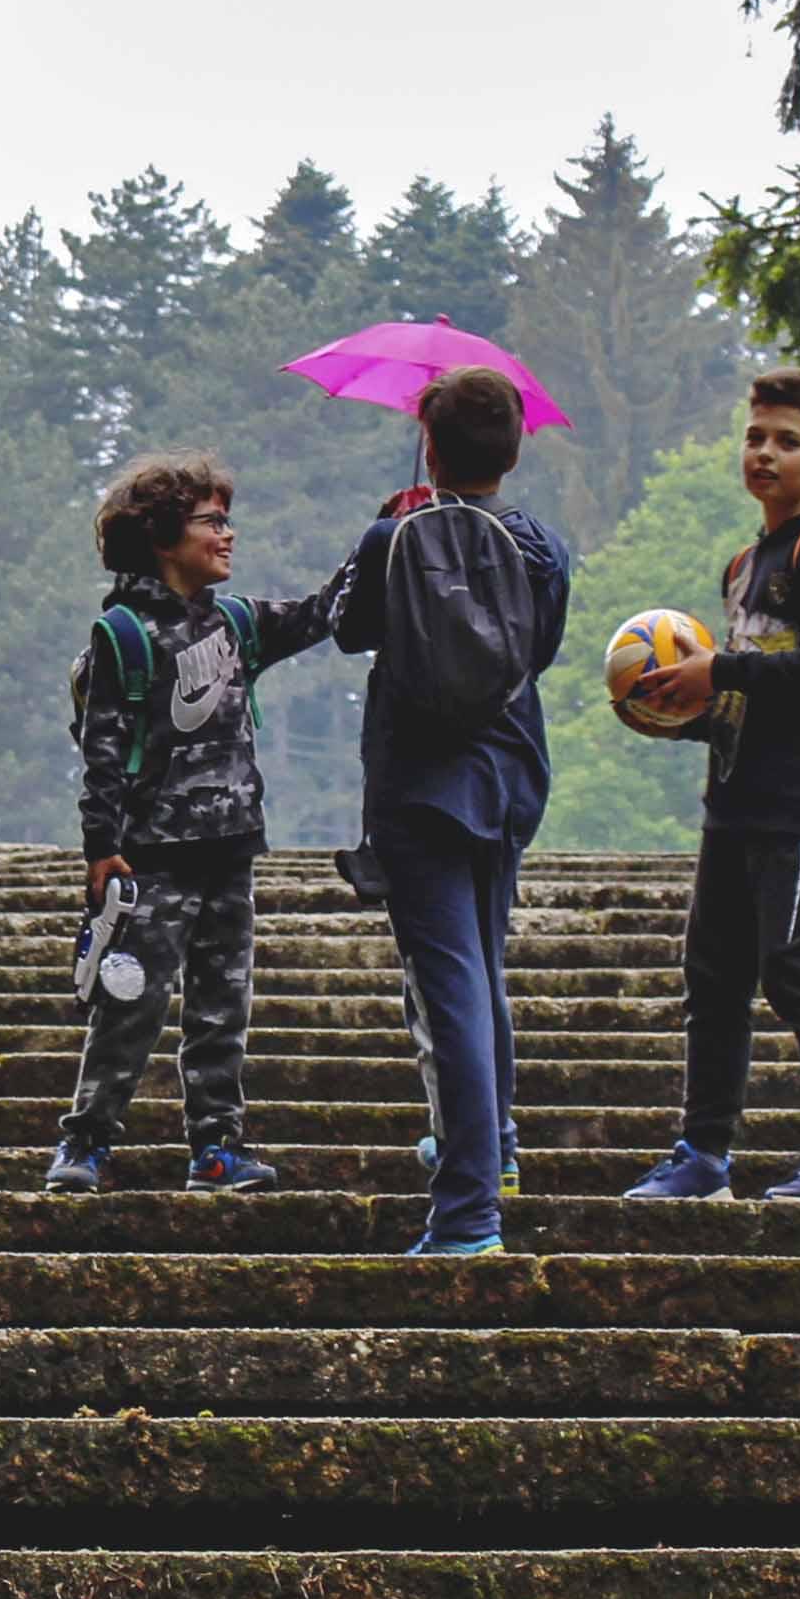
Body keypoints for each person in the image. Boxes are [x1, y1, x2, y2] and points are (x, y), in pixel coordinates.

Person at [619, 366, 800, 1202]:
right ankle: (704, 1155)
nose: (766, 454)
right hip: (736, 801)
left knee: (796, 966)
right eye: (755, 437)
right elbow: (747, 691)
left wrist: (722, 668)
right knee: (712, 978)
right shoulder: (746, 562)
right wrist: (686, 706)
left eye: (788, 441)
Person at [49, 451, 336, 1196]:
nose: (229, 534)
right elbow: (103, 753)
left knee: (222, 1005)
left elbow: (319, 614)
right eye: (212, 521)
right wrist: (101, 848)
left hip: (231, 848)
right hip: (154, 856)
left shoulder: (236, 623)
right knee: (129, 1002)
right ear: (163, 537)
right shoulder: (123, 636)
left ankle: (217, 1146)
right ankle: (85, 1143)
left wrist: (385, 542)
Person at [333, 367, 570, 1257]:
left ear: (429, 443)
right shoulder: (544, 545)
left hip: (420, 784)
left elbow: (351, 628)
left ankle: (468, 1212)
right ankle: (497, 1149)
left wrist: (395, 533)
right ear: (514, 449)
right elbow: (538, 650)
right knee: (483, 968)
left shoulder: (393, 533)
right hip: (508, 774)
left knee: (452, 986)